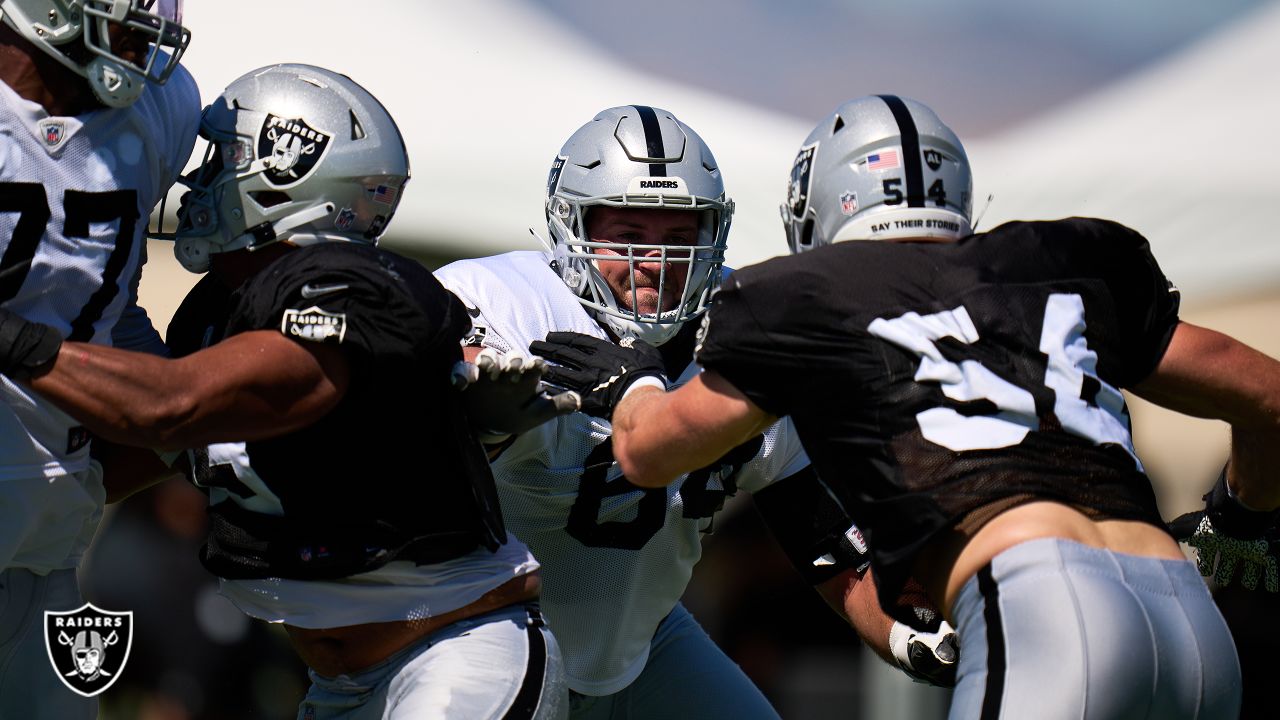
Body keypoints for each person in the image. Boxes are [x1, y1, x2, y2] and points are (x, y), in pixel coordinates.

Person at [537, 95, 1279, 718]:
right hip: (1195, 623)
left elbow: (650, 452)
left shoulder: (805, 294)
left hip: (1044, 607)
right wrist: (1245, 516)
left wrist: (633, 383)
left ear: (820, 206)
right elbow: (1269, 397)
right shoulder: (1054, 269)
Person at [0, 63, 572, 719]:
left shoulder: (351, 285)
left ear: (282, 173)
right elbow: (141, 455)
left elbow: (167, 407)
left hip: (455, 652)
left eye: (220, 161)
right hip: (339, 683)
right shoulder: (217, 308)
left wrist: (15, 336)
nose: (195, 180)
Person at [434, 104, 957, 719]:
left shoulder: (748, 325)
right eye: (628, 237)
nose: (653, 262)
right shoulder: (503, 305)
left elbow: (818, 532)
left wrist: (908, 632)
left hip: (645, 639)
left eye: (679, 239)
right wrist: (479, 414)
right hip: (486, 630)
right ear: (569, 226)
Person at [0, 1, 197, 717]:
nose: (141, 42)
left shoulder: (162, 108)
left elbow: (104, 301)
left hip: (46, 551)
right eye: (122, 21)